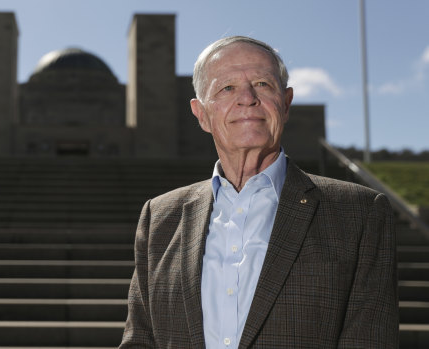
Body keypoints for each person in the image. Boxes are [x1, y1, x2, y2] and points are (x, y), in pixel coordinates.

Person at [119, 36, 398, 348]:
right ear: (201, 115)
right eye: (227, 88)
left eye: (263, 84)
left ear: (286, 101)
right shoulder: (159, 217)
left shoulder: (359, 214)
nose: (247, 98)